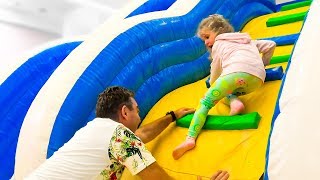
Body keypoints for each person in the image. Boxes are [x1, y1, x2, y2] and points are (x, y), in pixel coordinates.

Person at [26, 86, 229, 180]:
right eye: (137, 111)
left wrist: (171, 116)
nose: (139, 117)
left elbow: (142, 134)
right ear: (125, 112)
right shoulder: (118, 136)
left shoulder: (96, 132)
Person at [172, 14, 276, 160]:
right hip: (257, 80)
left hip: (234, 75)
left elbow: (215, 70)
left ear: (220, 31)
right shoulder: (246, 39)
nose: (206, 43)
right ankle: (235, 102)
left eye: (207, 37)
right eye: (204, 40)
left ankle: (190, 139)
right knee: (229, 88)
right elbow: (271, 45)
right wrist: (262, 65)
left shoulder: (219, 44)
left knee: (206, 102)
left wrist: (212, 84)